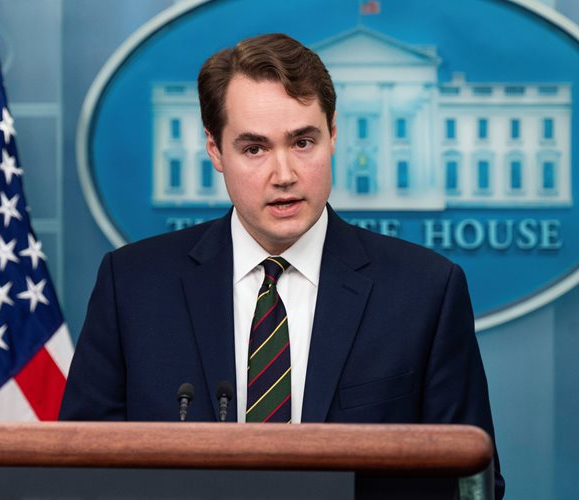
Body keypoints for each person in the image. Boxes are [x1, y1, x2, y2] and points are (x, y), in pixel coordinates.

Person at [60, 33, 504, 497]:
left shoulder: (425, 292)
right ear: (215, 150)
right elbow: (79, 476)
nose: (285, 174)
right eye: (255, 149)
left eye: (303, 142)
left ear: (333, 135)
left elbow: (473, 484)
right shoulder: (133, 287)